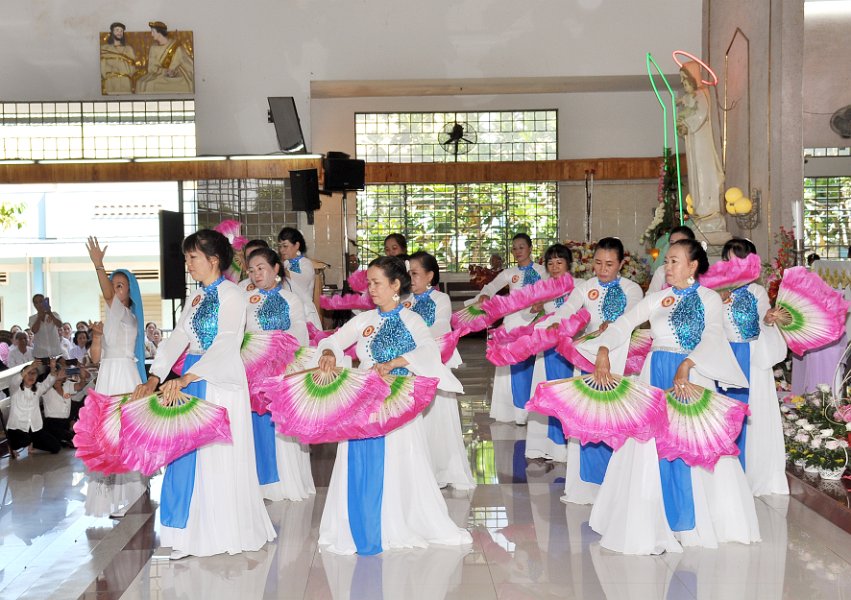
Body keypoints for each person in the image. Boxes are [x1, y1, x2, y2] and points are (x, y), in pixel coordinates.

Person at [578, 239, 759, 554]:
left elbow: (713, 335)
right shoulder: (658, 298)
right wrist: (604, 349)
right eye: (667, 261)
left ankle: (693, 522)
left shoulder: (709, 299)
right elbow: (623, 324)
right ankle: (654, 519)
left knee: (691, 445)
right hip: (656, 375)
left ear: (693, 265)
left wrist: (688, 364)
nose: (668, 266)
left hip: (691, 376)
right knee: (651, 446)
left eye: (675, 261)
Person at [133, 229, 275, 559]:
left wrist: (188, 376)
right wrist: (154, 377)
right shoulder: (195, 297)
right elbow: (178, 337)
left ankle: (219, 533)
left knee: (214, 456)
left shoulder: (233, 295)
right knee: (185, 453)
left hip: (219, 380)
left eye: (193, 257)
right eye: (186, 258)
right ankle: (189, 536)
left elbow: (226, 341)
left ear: (213, 260)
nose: (188, 264)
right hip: (193, 375)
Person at [316, 256, 472, 555]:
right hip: (364, 399)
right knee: (357, 457)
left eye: (377, 283)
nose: (371, 289)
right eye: (369, 283)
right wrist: (328, 352)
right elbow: (335, 340)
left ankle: (393, 521)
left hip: (398, 401)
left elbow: (428, 349)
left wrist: (396, 362)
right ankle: (357, 522)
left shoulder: (412, 320)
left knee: (398, 460)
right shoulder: (364, 320)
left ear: (395, 285)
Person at [541, 237, 644, 503]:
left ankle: (620, 487)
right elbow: (567, 309)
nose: (602, 269)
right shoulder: (585, 288)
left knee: (616, 422)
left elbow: (631, 316)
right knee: (589, 420)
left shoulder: (632, 289)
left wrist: (613, 326)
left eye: (609, 264)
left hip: (621, 360)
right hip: (589, 360)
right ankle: (587, 487)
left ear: (621, 264)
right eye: (598, 263)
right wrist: (554, 323)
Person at [84, 237, 150, 518]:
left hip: (122, 377)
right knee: (109, 436)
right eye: (113, 283)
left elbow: (108, 294)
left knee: (121, 435)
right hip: (108, 376)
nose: (113, 288)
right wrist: (97, 337)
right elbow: (95, 358)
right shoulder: (114, 317)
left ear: (129, 292)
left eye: (119, 285)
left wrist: (99, 265)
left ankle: (131, 494)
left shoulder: (124, 313)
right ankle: (129, 491)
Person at [718, 238, 789, 496]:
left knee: (752, 417)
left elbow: (762, 320)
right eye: (728, 261)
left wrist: (769, 320)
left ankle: (752, 475)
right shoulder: (715, 291)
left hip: (751, 358)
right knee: (723, 416)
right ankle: (724, 478)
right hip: (724, 358)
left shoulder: (757, 292)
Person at [244, 247, 315, 501]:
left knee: (279, 427)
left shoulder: (290, 299)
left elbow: (300, 335)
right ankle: (259, 483)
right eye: (251, 270)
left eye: (261, 268)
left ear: (275, 269)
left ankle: (282, 482)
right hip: (252, 373)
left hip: (280, 372)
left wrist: (275, 347)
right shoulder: (245, 299)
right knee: (256, 425)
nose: (256, 274)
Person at [407, 250, 475, 490]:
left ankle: (443, 470)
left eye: (415, 274)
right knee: (415, 419)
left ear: (429, 276)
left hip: (435, 361)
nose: (410, 278)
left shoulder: (440, 299)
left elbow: (441, 327)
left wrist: (415, 340)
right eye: (408, 274)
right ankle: (419, 472)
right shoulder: (405, 300)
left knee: (438, 417)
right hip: (410, 364)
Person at [471, 233, 548, 425]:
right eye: (514, 248)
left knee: (535, 366)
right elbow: (490, 287)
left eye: (521, 247)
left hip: (536, 321)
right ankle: (519, 412)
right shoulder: (509, 273)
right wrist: (484, 295)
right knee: (516, 366)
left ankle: (535, 409)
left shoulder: (542, 270)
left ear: (530, 248)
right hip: (514, 322)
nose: (517, 251)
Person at [523, 243, 575, 464]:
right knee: (550, 394)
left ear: (568, 264)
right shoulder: (543, 287)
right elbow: (527, 313)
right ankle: (552, 447)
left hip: (571, 346)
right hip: (548, 347)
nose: (554, 267)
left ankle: (571, 446)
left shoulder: (580, 286)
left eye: (559, 262)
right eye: (550, 263)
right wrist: (535, 308)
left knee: (570, 395)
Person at [676, 62, 726, 237]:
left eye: (685, 80)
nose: (683, 83)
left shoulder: (702, 93)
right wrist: (682, 126)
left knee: (704, 174)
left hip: (702, 143)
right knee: (695, 176)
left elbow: (700, 114)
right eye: (682, 80)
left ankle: (708, 211)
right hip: (694, 142)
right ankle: (700, 211)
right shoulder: (693, 96)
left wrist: (686, 123)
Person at [7, 360, 62, 455]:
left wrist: (53, 368)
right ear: (23, 375)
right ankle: (12, 445)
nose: (31, 376)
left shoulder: (38, 388)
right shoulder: (15, 388)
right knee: (25, 440)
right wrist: (31, 366)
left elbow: (49, 382)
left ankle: (33, 443)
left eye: (34, 373)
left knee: (56, 447)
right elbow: (15, 380)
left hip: (34, 427)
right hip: (17, 428)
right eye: (29, 373)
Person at [277, 227, 322, 328]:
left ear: (297, 245)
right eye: (280, 246)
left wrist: (278, 268)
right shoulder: (285, 264)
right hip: (287, 313)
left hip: (305, 315)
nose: (281, 250)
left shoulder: (306, 264)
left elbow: (302, 281)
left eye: (285, 246)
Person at [136, 21, 194, 94]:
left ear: (159, 32)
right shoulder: (153, 48)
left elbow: (185, 65)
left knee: (150, 84)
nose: (151, 34)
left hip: (173, 77)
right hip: (159, 74)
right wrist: (163, 71)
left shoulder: (176, 47)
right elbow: (151, 67)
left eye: (153, 32)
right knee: (140, 82)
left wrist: (172, 72)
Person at [43, 359, 90, 447]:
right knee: (67, 440)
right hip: (52, 422)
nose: (63, 373)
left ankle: (65, 436)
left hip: (65, 421)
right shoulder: (46, 387)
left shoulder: (66, 384)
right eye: (60, 372)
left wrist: (83, 377)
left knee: (80, 436)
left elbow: (80, 386)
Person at [647, 226, 695, 293]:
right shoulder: (662, 271)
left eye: (680, 243)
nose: (675, 247)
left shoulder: (700, 271)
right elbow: (650, 297)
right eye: (672, 243)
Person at [100, 22, 137, 95]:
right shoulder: (105, 48)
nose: (119, 33)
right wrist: (110, 73)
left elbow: (132, 67)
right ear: (112, 32)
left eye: (121, 31)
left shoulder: (128, 49)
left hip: (125, 81)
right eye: (117, 30)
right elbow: (102, 66)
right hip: (110, 81)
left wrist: (122, 69)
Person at [28, 293, 65, 362]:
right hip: (40, 354)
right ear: (34, 305)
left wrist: (50, 313)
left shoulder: (54, 314)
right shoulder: (32, 318)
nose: (39, 304)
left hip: (55, 352)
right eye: (36, 303)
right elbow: (34, 330)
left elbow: (60, 325)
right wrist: (39, 316)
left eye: (41, 301)